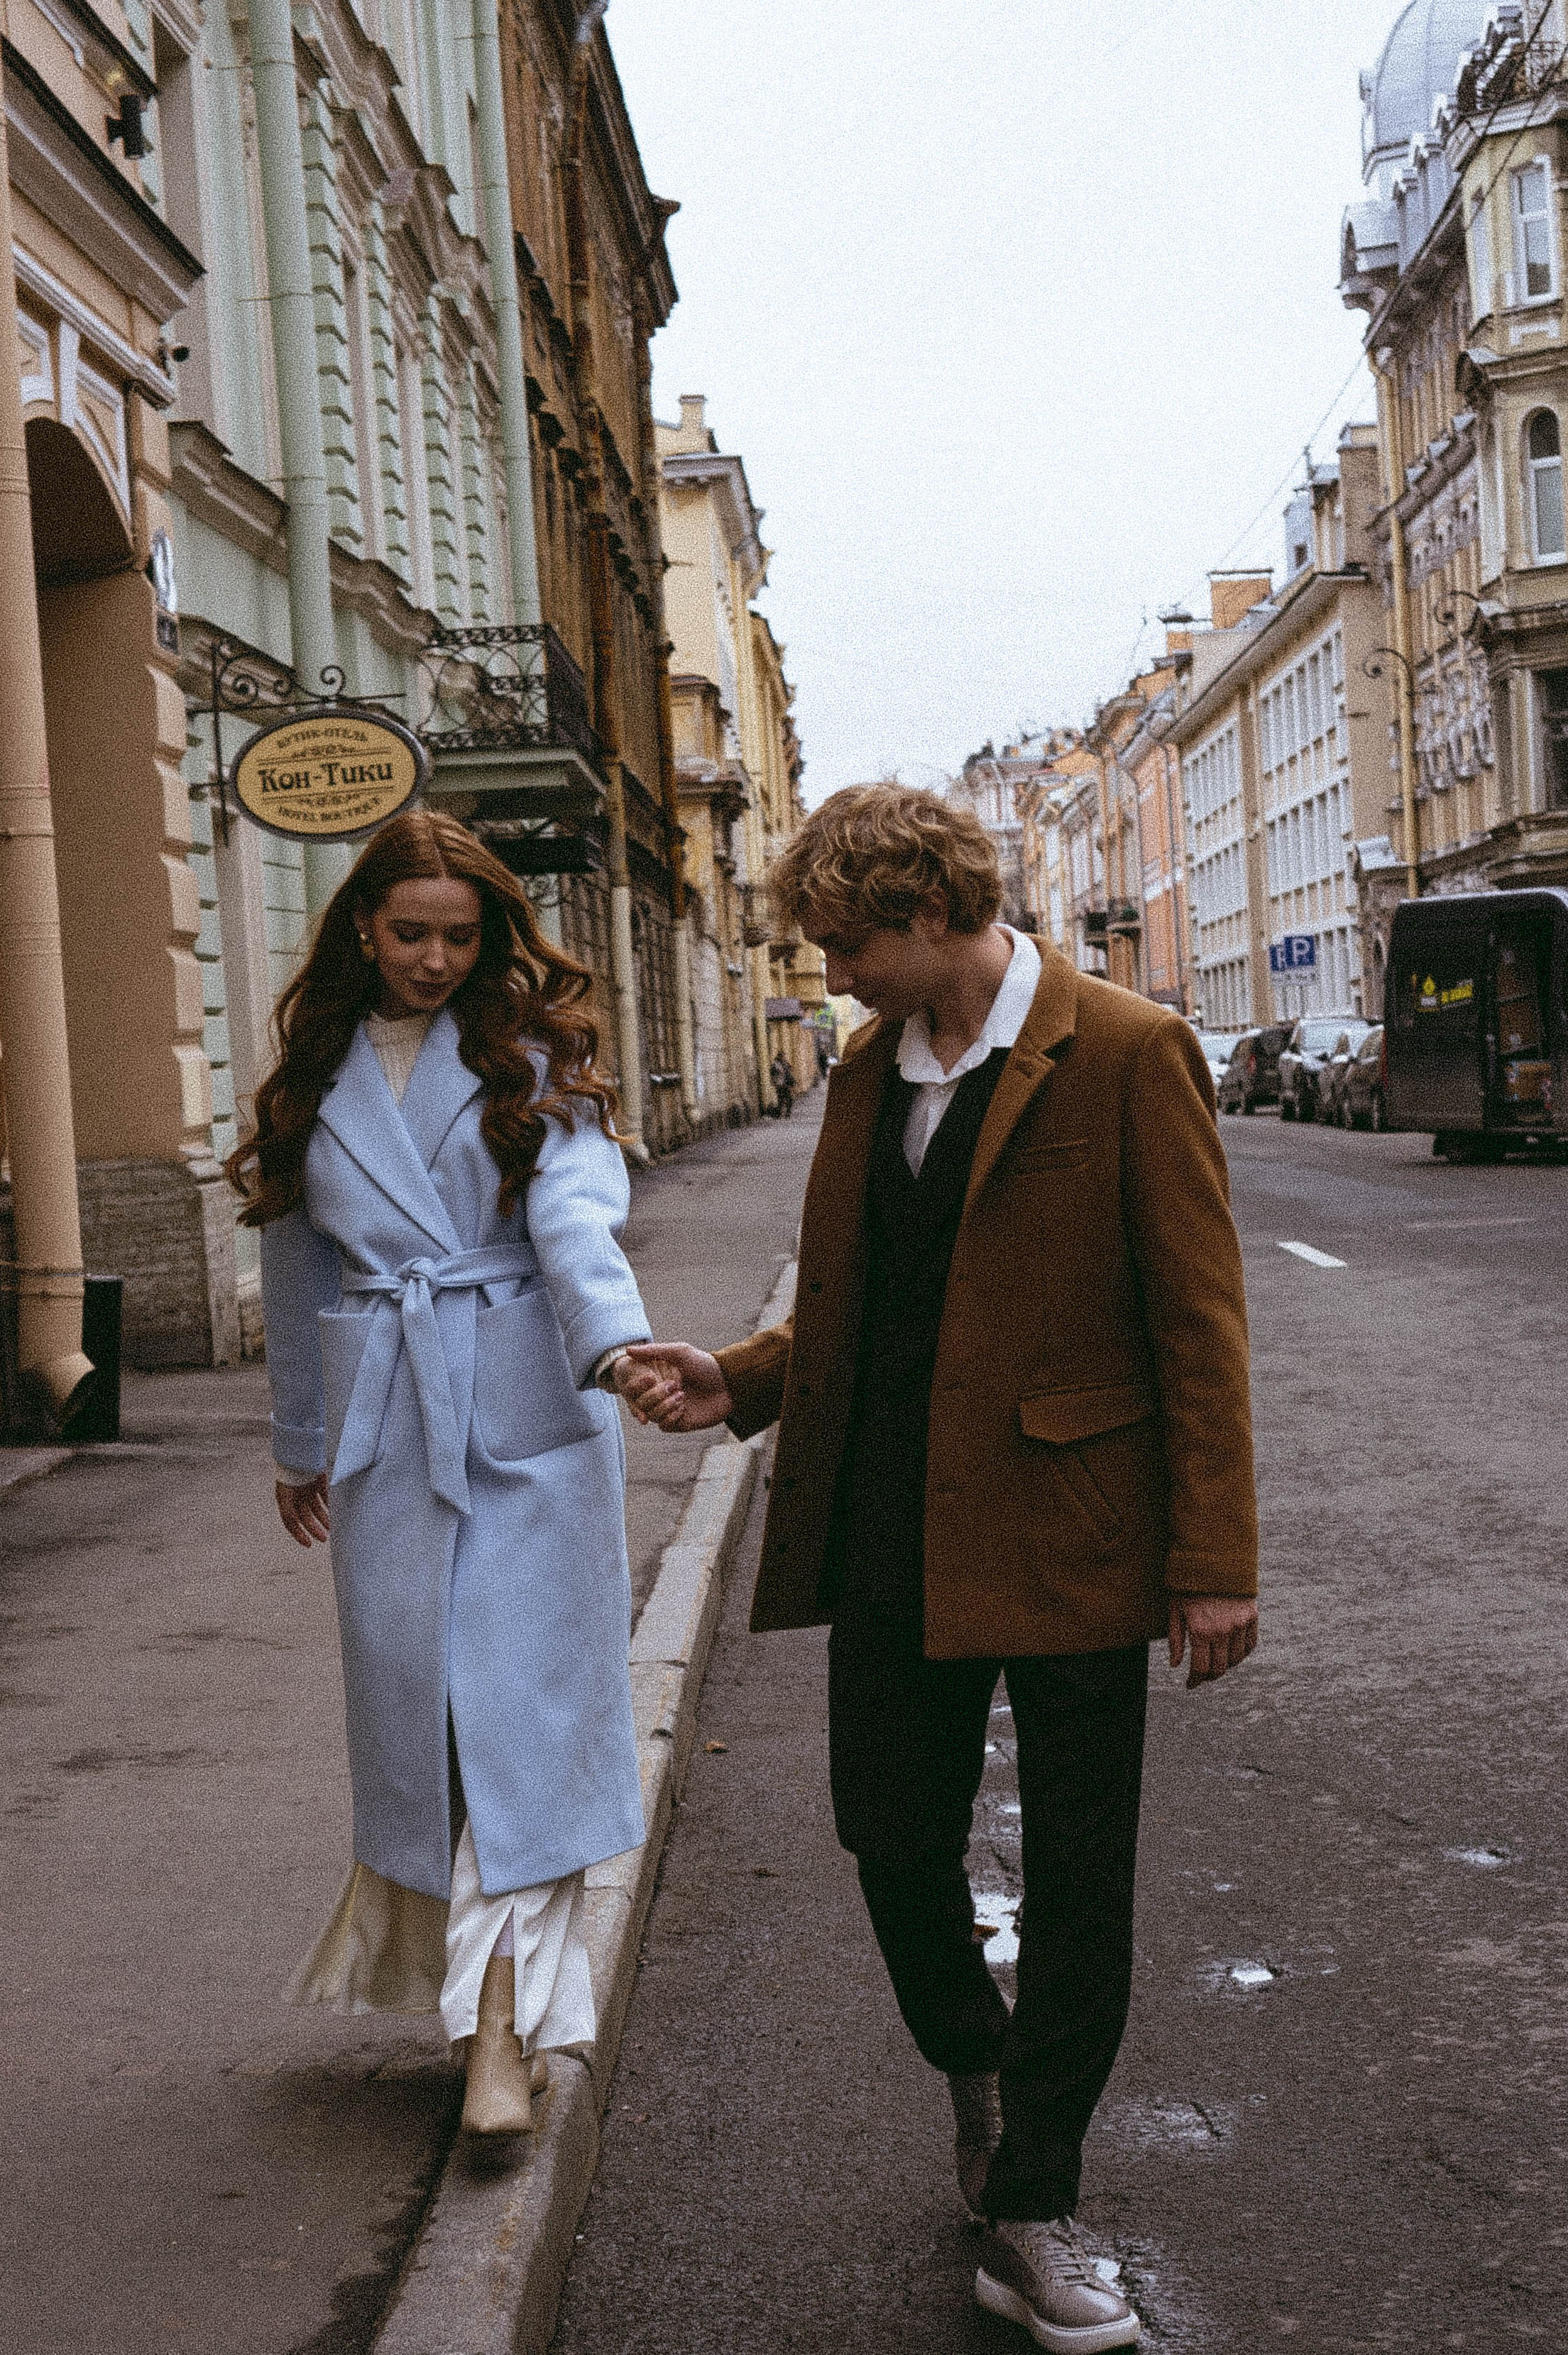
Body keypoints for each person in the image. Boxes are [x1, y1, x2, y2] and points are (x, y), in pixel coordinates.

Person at [620, 785, 1258, 2350]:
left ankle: (1032, 2200)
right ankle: (976, 2061)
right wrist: (745, 1377)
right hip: (892, 1519)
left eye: (843, 941)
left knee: (1079, 1872)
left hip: (1074, 1526)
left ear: (921, 914)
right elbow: (873, 1297)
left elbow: (1198, 1323)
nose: (830, 971)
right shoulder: (864, 1070)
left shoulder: (1119, 1049)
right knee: (885, 1829)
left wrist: (1212, 1559)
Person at [226, 810, 652, 2136]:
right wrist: (304, 1442)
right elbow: (297, 1268)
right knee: (434, 1734)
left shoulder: (536, 1060)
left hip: (532, 1408)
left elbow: (575, 1220)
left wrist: (617, 1343)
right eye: (410, 931)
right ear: (363, 925)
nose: (432, 957)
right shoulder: (315, 1072)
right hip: (386, 1430)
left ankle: (497, 2039)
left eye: (460, 936)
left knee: (519, 1728)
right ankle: (481, 2011)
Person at [769, 1050, 796, 1119]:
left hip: (786, 1084)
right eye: (783, 1056)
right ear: (779, 1057)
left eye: (784, 1056)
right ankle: (780, 1114)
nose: (784, 1057)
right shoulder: (775, 1064)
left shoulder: (785, 1063)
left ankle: (787, 1113)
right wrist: (775, 1081)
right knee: (781, 1099)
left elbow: (790, 1072)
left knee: (789, 1099)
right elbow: (773, 1074)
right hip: (780, 1085)